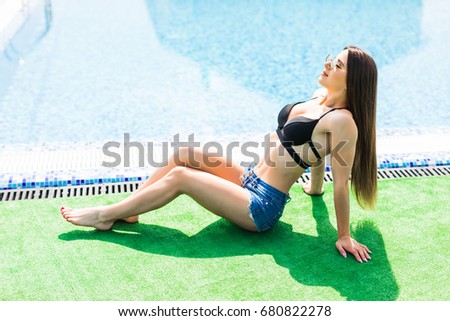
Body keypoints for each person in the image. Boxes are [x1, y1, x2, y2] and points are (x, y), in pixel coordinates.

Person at [60, 45, 377, 263]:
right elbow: (317, 152)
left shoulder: (344, 122)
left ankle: (104, 215)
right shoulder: (320, 98)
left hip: (260, 207)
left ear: (352, 82)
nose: (326, 65)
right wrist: (314, 187)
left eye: (336, 65)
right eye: (331, 59)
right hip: (248, 179)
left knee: (183, 177)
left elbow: (341, 180)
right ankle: (130, 210)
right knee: (186, 152)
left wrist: (344, 235)